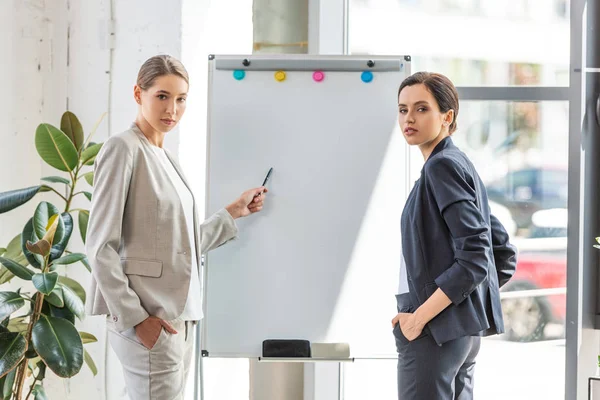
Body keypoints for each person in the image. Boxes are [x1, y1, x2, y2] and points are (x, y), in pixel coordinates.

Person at [85, 54, 268, 400]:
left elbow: (176, 242)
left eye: (181, 99)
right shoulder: (122, 149)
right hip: (149, 317)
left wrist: (232, 213)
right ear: (139, 94)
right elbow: (100, 247)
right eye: (162, 96)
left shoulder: (167, 158)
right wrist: (138, 319)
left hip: (178, 319)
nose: (173, 109)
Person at [391, 72, 517, 400]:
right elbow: (500, 252)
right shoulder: (459, 163)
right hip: (459, 336)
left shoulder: (440, 167)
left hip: (434, 334)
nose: (409, 118)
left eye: (421, 108)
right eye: (403, 109)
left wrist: (420, 319)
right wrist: (462, 308)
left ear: (447, 117)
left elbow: (477, 257)